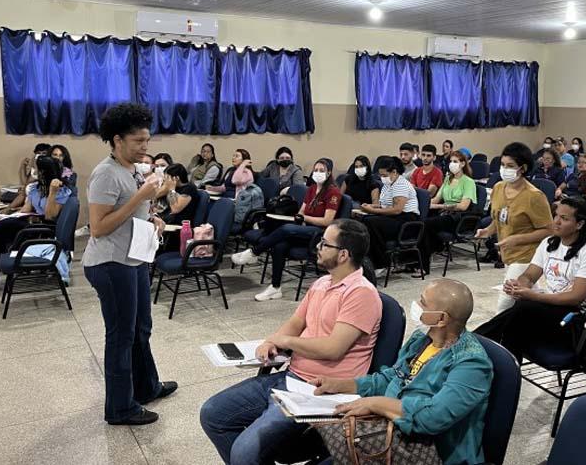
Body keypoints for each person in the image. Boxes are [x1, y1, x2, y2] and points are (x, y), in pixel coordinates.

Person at [200, 219, 382, 464]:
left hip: (320, 391)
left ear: (343, 255)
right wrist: (271, 342)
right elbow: (296, 323)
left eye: (324, 243)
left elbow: (332, 348)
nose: (318, 247)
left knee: (245, 451)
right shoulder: (322, 283)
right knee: (213, 415)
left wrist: (286, 340)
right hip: (291, 377)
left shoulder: (362, 294)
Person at [311, 279, 493, 465]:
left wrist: (376, 404)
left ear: (441, 319)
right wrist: (343, 385)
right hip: (393, 434)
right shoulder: (421, 339)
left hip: (431, 453)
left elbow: (433, 417)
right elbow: (393, 377)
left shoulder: (471, 364)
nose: (417, 306)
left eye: (423, 303)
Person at [83, 103, 176, 425]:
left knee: (141, 329)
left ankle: (146, 386)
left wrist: (152, 217)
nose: (145, 147)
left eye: (147, 140)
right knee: (121, 336)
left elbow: (132, 212)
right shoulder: (105, 174)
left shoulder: (133, 170)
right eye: (138, 141)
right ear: (117, 139)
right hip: (110, 263)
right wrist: (140, 199)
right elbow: (99, 227)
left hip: (133, 257)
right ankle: (120, 408)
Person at [488, 197, 586, 363]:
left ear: (579, 224)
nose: (556, 222)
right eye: (556, 216)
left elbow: (575, 298)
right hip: (550, 311)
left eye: (564, 219)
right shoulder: (548, 243)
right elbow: (529, 275)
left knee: (522, 311)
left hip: (577, 318)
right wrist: (520, 285)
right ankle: (504, 365)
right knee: (516, 323)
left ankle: (477, 344)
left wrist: (533, 295)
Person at [231, 159, 341, 301]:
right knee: (279, 245)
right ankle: (275, 288)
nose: (318, 173)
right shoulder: (312, 189)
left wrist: (304, 219)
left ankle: (254, 252)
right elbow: (301, 211)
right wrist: (300, 218)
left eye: (322, 171)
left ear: (329, 173)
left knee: (287, 229)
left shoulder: (333, 192)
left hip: (319, 234)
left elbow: (328, 221)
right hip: (304, 229)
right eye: (316, 170)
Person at [0, 155, 74, 294]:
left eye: (36, 169)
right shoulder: (35, 188)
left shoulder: (62, 191)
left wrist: (52, 193)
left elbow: (50, 216)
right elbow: (24, 211)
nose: (34, 171)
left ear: (43, 172)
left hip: (44, 229)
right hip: (28, 223)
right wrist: (0, 219)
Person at [475, 142, 553, 313]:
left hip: (527, 255)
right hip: (507, 254)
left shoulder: (534, 196)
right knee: (528, 296)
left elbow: (549, 230)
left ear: (523, 168)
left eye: (510, 166)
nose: (504, 169)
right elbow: (499, 218)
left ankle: (498, 337)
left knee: (505, 303)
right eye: (503, 165)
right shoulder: (498, 188)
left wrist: (517, 239)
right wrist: (487, 231)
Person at [358, 156, 420, 276]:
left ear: (394, 172)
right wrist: (370, 207)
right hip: (394, 218)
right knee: (364, 219)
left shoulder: (401, 184)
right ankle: (368, 261)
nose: (382, 178)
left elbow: (397, 210)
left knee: (371, 223)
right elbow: (383, 205)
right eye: (381, 175)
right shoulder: (388, 184)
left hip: (406, 221)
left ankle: (382, 263)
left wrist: (374, 211)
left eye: (384, 175)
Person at [420, 151, 479, 275]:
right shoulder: (448, 179)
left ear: (463, 164)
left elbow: (463, 206)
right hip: (444, 213)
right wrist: (424, 204)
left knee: (426, 224)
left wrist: (441, 206)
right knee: (420, 220)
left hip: (458, 218)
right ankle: (420, 258)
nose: (452, 164)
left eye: (455, 162)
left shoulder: (468, 182)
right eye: (451, 161)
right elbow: (436, 198)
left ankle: (424, 265)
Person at [159, 164, 201, 228]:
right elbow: (154, 196)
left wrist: (171, 189)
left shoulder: (189, 188)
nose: (165, 179)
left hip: (177, 225)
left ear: (176, 178)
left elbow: (175, 209)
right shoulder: (175, 187)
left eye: (167, 177)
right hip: (164, 219)